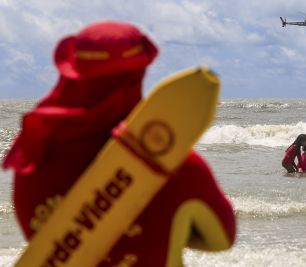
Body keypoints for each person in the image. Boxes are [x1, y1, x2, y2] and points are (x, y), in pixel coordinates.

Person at [2, 21, 235, 267]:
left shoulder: (32, 156)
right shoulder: (179, 165)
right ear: (139, 74)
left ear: (74, 70)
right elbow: (221, 239)